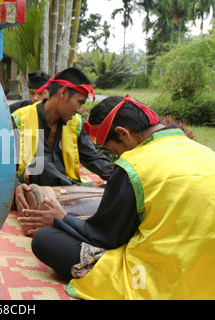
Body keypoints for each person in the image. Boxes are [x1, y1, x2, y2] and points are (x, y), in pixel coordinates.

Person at [19, 95, 215, 299]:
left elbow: (106, 238)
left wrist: (61, 218)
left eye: (114, 150)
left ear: (123, 133)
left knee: (45, 240)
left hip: (159, 278)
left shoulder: (134, 165)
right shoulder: (205, 152)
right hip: (208, 274)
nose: (119, 155)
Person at [11, 68, 113, 215]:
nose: (80, 110)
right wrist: (15, 187)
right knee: (39, 164)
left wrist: (121, 176)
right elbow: (4, 166)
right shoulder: (19, 119)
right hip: (30, 187)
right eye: (79, 102)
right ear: (63, 93)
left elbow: (93, 158)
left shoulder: (75, 123)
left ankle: (74, 197)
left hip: (65, 187)